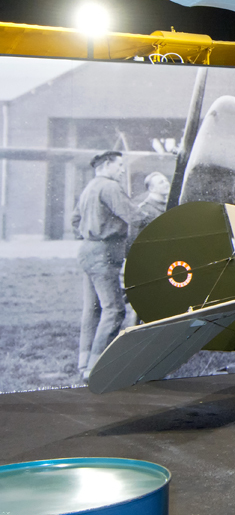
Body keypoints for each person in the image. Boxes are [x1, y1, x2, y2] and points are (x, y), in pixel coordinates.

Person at [72, 151, 138, 378]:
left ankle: (84, 363)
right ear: (107, 165)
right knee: (115, 310)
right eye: (119, 165)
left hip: (88, 250)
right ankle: (96, 367)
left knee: (92, 309)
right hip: (104, 253)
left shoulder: (90, 187)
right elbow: (134, 216)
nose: (122, 170)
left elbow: (75, 220)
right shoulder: (110, 187)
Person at [130, 171, 170, 245]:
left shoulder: (170, 206)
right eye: (161, 182)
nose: (167, 184)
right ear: (151, 188)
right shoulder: (143, 210)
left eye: (166, 181)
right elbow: (134, 239)